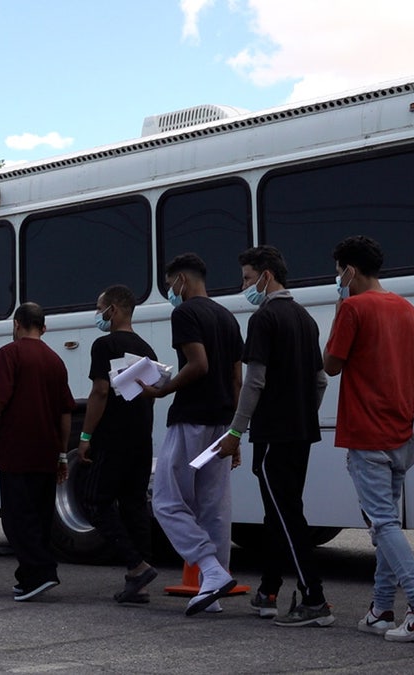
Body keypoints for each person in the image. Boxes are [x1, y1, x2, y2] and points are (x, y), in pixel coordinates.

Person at [322, 235, 414, 642]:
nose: (338, 279)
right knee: (386, 521)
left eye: (339, 271)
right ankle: (380, 608)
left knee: (382, 524)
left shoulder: (353, 308)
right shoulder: (406, 308)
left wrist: (339, 309)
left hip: (366, 430)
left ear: (350, 271)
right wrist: (413, 421)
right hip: (400, 430)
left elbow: (332, 365)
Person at [217, 246, 330, 627]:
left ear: (267, 276)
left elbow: (255, 382)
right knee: (279, 513)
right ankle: (268, 591)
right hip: (301, 433)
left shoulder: (264, 318)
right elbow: (320, 380)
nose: (244, 286)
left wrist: (236, 430)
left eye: (248, 278)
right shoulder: (306, 318)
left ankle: (314, 598)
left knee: (287, 515)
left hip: (273, 435)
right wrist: (303, 414)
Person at [144, 253, 244, 616]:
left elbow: (198, 364)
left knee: (167, 501)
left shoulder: (185, 313)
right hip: (221, 421)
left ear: (181, 281)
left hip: (191, 419)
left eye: (170, 284)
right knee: (213, 506)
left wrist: (161, 389)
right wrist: (236, 431)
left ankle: (211, 570)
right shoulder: (227, 317)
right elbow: (237, 379)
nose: (170, 291)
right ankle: (211, 589)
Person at [0, 302, 75, 602]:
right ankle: (28, 577)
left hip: (17, 448)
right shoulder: (56, 360)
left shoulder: (9, 353)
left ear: (16, 324)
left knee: (17, 518)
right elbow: (65, 412)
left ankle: (41, 572)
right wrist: (61, 454)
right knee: (41, 515)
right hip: (47, 449)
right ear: (44, 328)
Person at [77, 285, 159, 604]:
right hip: (141, 437)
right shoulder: (146, 348)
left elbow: (100, 391)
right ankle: (139, 582)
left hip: (113, 438)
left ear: (114, 309)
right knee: (134, 505)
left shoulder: (104, 344)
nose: (98, 315)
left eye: (100, 309)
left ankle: (137, 566)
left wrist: (85, 436)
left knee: (94, 500)